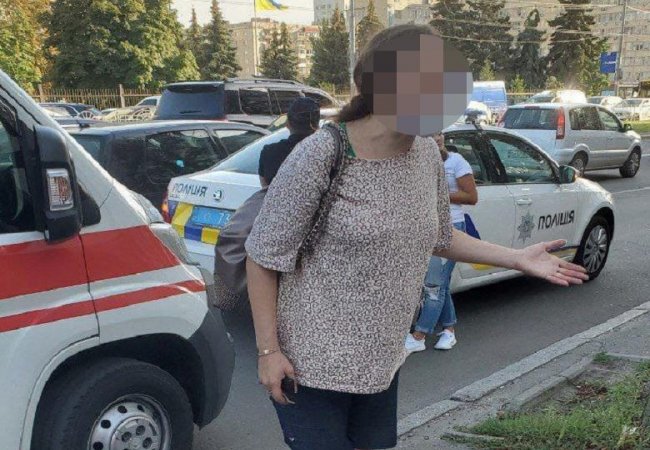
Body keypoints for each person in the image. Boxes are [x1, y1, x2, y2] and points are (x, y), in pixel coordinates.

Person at [245, 25, 587, 450]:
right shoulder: (322, 154)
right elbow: (263, 257)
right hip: (309, 366)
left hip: (381, 361)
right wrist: (268, 352)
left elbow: (439, 236)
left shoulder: (426, 153)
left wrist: (517, 258)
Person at [406, 132, 478, 353]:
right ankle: (449, 330)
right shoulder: (417, 159)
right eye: (429, 134)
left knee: (434, 285)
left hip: (450, 226)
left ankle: (419, 335)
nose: (436, 138)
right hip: (425, 227)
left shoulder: (456, 161)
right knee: (440, 283)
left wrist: (437, 193)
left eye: (438, 133)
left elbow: (471, 197)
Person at [258, 97, 320, 187]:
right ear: (317, 126)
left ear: (287, 123)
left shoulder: (268, 152)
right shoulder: (324, 154)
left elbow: (265, 190)